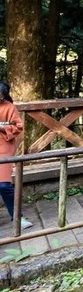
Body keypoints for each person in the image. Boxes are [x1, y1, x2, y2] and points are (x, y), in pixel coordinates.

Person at [0, 81, 31, 229]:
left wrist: (2, 126)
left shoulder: (9, 107)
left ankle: (17, 217)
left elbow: (18, 127)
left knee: (4, 184)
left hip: (4, 145)